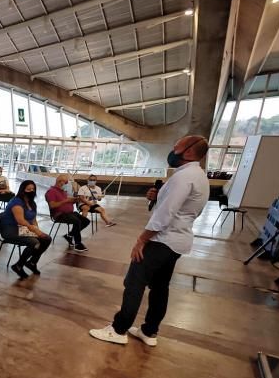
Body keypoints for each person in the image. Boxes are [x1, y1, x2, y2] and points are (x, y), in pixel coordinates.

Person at [89, 135, 211, 346]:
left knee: (134, 282)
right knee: (160, 286)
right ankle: (149, 331)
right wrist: (157, 197)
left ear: (189, 152)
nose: (173, 150)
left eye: (177, 147)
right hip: (177, 241)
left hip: (162, 240)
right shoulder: (197, 175)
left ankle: (119, 330)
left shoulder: (183, 177)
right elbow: (187, 210)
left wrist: (142, 240)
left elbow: (165, 215)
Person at [0, 180, 52, 279]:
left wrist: (37, 230)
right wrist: (36, 232)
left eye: (33, 189)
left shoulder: (32, 203)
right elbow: (20, 220)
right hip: (11, 229)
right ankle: (18, 266)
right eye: (28, 189)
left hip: (23, 229)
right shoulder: (16, 202)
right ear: (22, 190)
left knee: (46, 239)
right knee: (34, 242)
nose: (31, 191)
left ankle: (32, 262)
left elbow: (33, 220)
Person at [46, 174, 89, 252]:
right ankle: (78, 244)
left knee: (86, 221)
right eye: (65, 183)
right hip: (59, 214)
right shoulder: (51, 191)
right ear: (60, 182)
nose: (66, 184)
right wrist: (66, 201)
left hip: (69, 213)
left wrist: (74, 200)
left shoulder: (63, 192)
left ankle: (70, 235)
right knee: (77, 221)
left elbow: (66, 202)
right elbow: (52, 205)